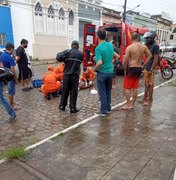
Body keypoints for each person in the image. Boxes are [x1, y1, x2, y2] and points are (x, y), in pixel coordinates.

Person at [121, 33, 152, 110]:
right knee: (135, 87)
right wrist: (143, 65)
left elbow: (125, 61)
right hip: (139, 68)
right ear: (138, 39)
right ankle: (132, 104)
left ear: (131, 39)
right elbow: (150, 56)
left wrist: (125, 69)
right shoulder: (143, 47)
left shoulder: (129, 47)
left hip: (131, 68)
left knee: (127, 87)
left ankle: (128, 104)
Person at [93, 29, 118, 116]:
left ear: (97, 36)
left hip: (102, 73)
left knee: (102, 92)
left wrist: (94, 69)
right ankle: (108, 108)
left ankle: (103, 111)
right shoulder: (110, 45)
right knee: (108, 91)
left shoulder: (98, 48)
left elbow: (99, 62)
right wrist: (110, 62)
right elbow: (117, 56)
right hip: (110, 72)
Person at [57, 40, 83, 113]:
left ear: (72, 45)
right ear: (78, 46)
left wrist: (64, 60)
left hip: (67, 75)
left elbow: (58, 57)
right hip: (75, 76)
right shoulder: (80, 54)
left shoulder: (67, 52)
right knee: (73, 92)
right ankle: (72, 108)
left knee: (65, 90)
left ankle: (62, 106)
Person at [142, 31, 160, 106]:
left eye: (148, 38)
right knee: (146, 84)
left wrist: (152, 68)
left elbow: (156, 58)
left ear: (152, 38)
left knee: (150, 85)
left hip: (150, 68)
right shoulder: (150, 45)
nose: (147, 39)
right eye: (146, 38)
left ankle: (149, 100)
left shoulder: (155, 46)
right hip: (147, 67)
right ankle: (145, 98)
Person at [0, 43, 16, 121]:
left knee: (9, 92)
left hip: (4, 77)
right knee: (10, 92)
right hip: (9, 77)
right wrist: (15, 78)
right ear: (11, 49)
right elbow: (13, 69)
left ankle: (12, 106)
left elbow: (2, 67)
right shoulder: (10, 57)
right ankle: (11, 107)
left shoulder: (2, 55)